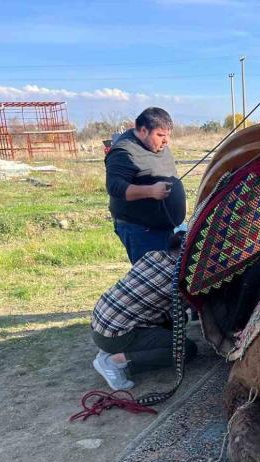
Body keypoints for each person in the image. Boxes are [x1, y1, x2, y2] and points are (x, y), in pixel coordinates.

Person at [90, 229, 197, 391]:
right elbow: (198, 307)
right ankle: (117, 362)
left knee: (176, 320)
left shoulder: (152, 256)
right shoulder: (178, 281)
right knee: (186, 349)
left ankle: (113, 351)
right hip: (116, 336)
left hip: (99, 325)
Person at [105, 107, 186, 263]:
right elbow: (115, 187)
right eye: (160, 135)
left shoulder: (158, 146)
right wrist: (151, 191)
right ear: (143, 131)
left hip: (170, 227)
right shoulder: (124, 151)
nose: (166, 140)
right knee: (155, 279)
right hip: (142, 231)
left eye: (168, 135)